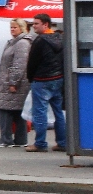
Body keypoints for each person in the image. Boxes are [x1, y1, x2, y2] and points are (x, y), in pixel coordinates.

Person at [25, 13, 65, 152]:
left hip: (42, 80)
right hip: (58, 79)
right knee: (58, 112)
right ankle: (62, 142)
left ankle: (40, 143)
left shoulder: (40, 41)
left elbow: (32, 62)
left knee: (40, 113)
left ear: (45, 24)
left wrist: (30, 78)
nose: (33, 26)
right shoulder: (59, 38)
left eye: (36, 23)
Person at [0, 19, 33, 148]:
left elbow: (19, 64)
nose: (12, 30)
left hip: (14, 83)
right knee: (17, 111)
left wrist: (13, 82)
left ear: (22, 28)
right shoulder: (15, 42)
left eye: (15, 27)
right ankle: (20, 140)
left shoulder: (21, 43)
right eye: (11, 27)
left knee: (6, 111)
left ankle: (6, 139)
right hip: (13, 82)